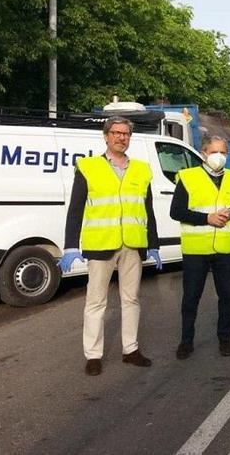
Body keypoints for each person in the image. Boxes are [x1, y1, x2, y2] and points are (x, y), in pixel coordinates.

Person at [61, 116, 161, 376]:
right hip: (101, 245)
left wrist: (153, 244)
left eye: (126, 134)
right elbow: (75, 209)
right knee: (96, 302)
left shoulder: (141, 169)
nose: (121, 137)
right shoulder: (88, 167)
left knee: (131, 300)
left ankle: (131, 350)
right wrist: (71, 245)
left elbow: (147, 210)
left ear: (130, 138)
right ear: (106, 136)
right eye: (116, 133)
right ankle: (93, 355)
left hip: (133, 245)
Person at [170, 136, 230, 360]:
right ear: (204, 153)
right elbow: (176, 212)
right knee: (191, 298)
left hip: (226, 250)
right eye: (214, 152)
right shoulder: (188, 177)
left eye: (223, 152)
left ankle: (225, 339)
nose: (219, 157)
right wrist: (207, 218)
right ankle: (186, 341)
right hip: (196, 250)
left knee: (227, 296)